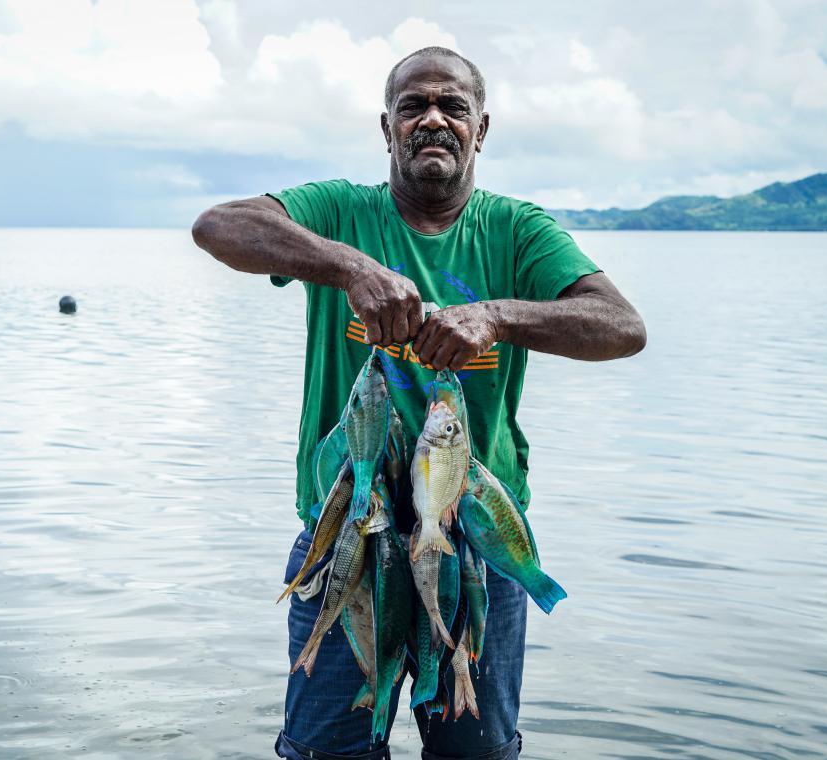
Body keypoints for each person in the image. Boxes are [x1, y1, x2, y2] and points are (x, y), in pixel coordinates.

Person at [192, 45, 646, 760]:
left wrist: (496, 317)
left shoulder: (516, 231)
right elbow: (217, 226)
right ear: (386, 128)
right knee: (323, 752)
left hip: (477, 541)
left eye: (452, 107)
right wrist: (350, 267)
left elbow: (622, 329)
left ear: (480, 129)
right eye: (413, 106)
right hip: (346, 531)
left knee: (476, 751)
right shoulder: (340, 212)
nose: (432, 119)